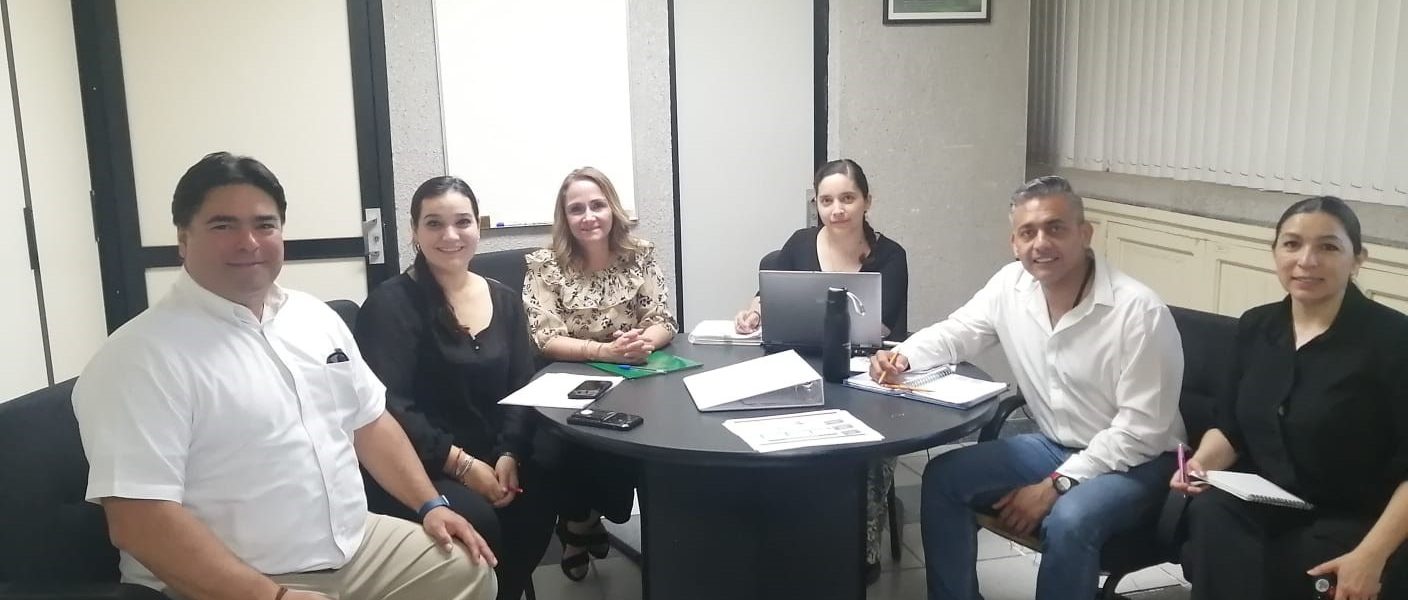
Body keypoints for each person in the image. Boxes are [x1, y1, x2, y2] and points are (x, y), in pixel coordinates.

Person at [71, 152, 496, 600]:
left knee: (466, 570)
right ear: (183, 238)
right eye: (223, 225)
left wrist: (429, 504)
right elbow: (138, 522)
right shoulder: (138, 357)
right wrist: (273, 597)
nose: (249, 242)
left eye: (265, 225)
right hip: (238, 576)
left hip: (354, 544)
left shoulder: (315, 317)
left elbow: (370, 422)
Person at [871, 175, 1186, 600]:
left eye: (1055, 228)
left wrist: (1057, 483)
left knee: (1070, 519)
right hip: (1057, 444)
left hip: (1141, 462)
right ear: (1014, 244)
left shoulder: (1138, 312)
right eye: (1028, 232)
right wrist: (903, 356)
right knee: (944, 478)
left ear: (1085, 233)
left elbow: (1141, 431)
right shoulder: (1011, 285)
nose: (1041, 243)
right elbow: (958, 332)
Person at [1173, 196, 1408, 600]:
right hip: (1271, 502)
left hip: (1361, 520)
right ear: (1275, 253)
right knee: (1212, 513)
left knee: (1284, 567)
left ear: (1357, 259)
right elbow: (1230, 427)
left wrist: (1370, 556)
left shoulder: (1394, 341)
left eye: (1328, 247)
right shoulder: (1257, 326)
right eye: (1292, 244)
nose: (1307, 260)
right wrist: (1200, 464)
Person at [354, 176, 556, 600]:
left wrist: (510, 453)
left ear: (477, 227)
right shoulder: (390, 305)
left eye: (462, 222)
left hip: (495, 455)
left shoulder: (505, 300)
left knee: (540, 500)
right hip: (420, 463)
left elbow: (521, 386)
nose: (450, 235)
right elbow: (392, 407)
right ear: (414, 231)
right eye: (434, 223)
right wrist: (463, 466)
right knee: (479, 521)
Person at [733, 158, 910, 582]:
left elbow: (883, 327)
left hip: (862, 373)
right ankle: (792, 534)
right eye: (826, 200)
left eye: (847, 198)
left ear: (867, 201)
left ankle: (862, 548)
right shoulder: (799, 243)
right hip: (796, 367)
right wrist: (753, 311)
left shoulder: (890, 256)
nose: (837, 210)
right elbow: (767, 294)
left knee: (872, 450)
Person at [522, 166, 678, 580]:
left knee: (636, 441)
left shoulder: (640, 254)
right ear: (565, 217)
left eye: (597, 205)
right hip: (567, 378)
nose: (588, 216)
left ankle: (590, 519)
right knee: (558, 449)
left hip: (631, 374)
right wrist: (603, 350)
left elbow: (662, 319)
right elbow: (544, 337)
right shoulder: (545, 265)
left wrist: (645, 342)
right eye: (577, 209)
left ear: (612, 208)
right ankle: (577, 524)